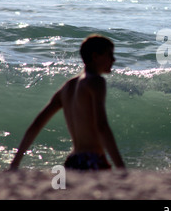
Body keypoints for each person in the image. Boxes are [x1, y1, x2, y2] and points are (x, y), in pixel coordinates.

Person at [9, 35, 125, 171]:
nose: (113, 59)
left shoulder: (67, 87)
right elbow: (101, 126)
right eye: (109, 54)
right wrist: (120, 166)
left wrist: (15, 163)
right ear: (95, 56)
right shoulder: (95, 82)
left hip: (72, 161)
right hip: (92, 159)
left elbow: (37, 124)